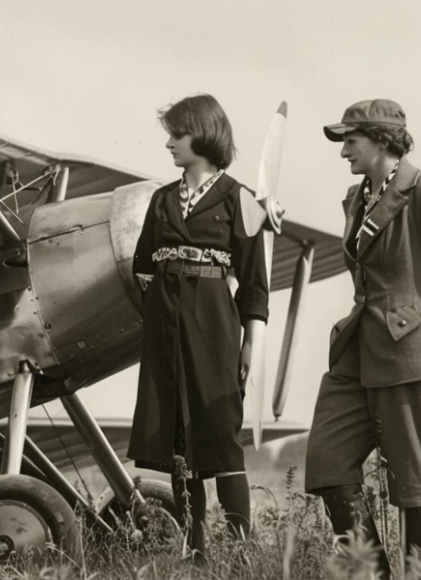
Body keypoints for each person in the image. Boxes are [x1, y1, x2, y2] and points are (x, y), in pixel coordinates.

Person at [306, 100, 421, 577]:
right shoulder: (357, 197)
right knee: (328, 464)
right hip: (356, 355)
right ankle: (375, 573)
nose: (343, 149)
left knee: (414, 488)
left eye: (351, 139)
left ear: (383, 141)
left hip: (408, 354)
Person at [127, 94, 270, 562]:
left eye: (177, 134)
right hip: (165, 326)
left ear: (204, 135)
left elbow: (253, 283)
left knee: (221, 431)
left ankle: (244, 550)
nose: (169, 143)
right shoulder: (162, 198)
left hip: (215, 325)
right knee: (177, 435)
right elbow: (143, 265)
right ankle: (196, 550)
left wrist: (251, 345)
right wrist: (165, 308)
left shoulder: (240, 198)